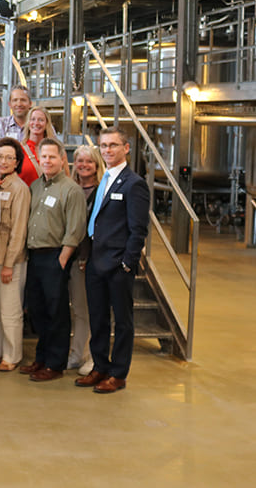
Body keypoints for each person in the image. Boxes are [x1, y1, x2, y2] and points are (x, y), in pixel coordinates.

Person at [75, 127, 149, 394]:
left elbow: (138, 229)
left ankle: (118, 374)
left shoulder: (133, 184)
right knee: (98, 318)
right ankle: (100, 367)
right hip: (96, 260)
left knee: (123, 321)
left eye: (113, 145)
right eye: (104, 145)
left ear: (126, 148)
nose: (107, 150)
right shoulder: (103, 179)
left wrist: (128, 263)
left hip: (118, 264)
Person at [21, 138, 87, 382]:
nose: (47, 161)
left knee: (56, 312)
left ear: (62, 160)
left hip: (55, 256)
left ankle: (55, 364)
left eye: (52, 157)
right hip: (34, 256)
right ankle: (42, 357)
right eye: (43, 157)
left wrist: (62, 259)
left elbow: (76, 228)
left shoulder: (71, 189)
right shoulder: (36, 186)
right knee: (38, 311)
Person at [0, 137, 30, 372]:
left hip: (10, 260)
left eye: (9, 157)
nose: (3, 161)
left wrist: (9, 264)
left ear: (17, 161)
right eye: (0, 156)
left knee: (9, 310)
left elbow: (19, 230)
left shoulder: (19, 188)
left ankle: (12, 355)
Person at [67, 144, 106, 376]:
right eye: (79, 161)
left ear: (96, 165)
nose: (83, 165)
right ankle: (75, 354)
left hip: (91, 261)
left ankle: (92, 357)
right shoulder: (70, 189)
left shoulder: (102, 190)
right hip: (70, 260)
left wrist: (86, 256)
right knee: (79, 311)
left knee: (93, 311)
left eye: (89, 161)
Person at [18, 106, 58, 186]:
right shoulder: (18, 150)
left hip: (50, 196)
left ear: (47, 124)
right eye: (33, 119)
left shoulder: (57, 150)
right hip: (26, 197)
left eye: (41, 120)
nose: (36, 123)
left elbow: (66, 178)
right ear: (28, 123)